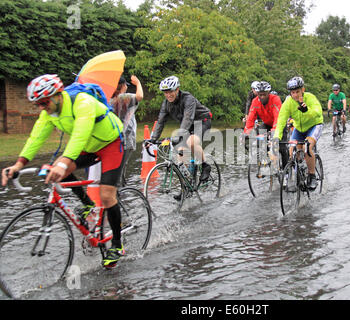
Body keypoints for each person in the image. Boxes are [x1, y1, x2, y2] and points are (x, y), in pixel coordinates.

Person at [1, 74, 126, 268]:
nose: (42, 108)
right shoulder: (48, 114)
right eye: (38, 105)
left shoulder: (82, 102)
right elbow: (35, 138)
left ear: (58, 95)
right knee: (59, 166)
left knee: (107, 195)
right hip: (88, 146)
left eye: (44, 102)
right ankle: (87, 205)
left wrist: (62, 163)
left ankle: (117, 245)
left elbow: (80, 134)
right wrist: (18, 164)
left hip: (111, 143)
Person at [150, 76, 213, 182]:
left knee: (191, 142)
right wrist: (153, 139)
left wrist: (179, 135)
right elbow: (161, 121)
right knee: (180, 153)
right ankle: (186, 186)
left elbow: (188, 118)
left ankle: (205, 165)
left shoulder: (188, 99)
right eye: (165, 92)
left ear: (177, 90)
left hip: (201, 121)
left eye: (170, 92)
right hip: (187, 125)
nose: (168, 95)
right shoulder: (166, 103)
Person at [274, 76, 323, 190]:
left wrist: (307, 111)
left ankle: (312, 175)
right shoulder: (288, 103)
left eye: (297, 92)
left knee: (308, 146)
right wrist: (277, 137)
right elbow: (281, 121)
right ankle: (298, 174)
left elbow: (318, 112)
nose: (295, 95)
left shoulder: (310, 98)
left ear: (303, 90)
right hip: (299, 129)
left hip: (314, 125)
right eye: (293, 92)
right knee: (292, 150)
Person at [243, 81, 288, 169]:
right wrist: (246, 133)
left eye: (264, 94)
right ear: (257, 94)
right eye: (260, 95)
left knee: (281, 147)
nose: (262, 97)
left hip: (279, 124)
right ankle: (267, 158)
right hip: (266, 124)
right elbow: (251, 118)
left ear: (268, 93)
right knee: (260, 137)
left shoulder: (275, 99)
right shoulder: (255, 101)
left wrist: (274, 132)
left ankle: (285, 169)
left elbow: (277, 117)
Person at [110, 75, 144, 186]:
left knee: (117, 169)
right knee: (120, 170)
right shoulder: (122, 98)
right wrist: (138, 83)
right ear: (122, 86)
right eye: (125, 85)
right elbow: (139, 96)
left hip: (113, 138)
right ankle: (118, 194)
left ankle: (119, 190)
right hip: (125, 138)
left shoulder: (108, 99)